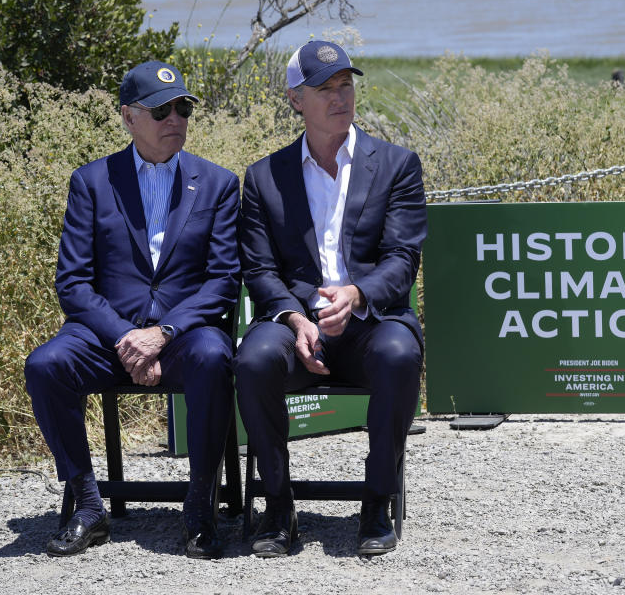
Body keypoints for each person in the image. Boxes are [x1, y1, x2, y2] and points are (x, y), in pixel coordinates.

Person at [24, 61, 240, 559]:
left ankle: (200, 505)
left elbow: (224, 280)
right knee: (46, 366)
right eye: (162, 109)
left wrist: (162, 333)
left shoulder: (218, 183)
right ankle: (88, 504)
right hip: (107, 335)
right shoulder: (92, 182)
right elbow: (73, 284)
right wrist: (128, 337)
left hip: (184, 334)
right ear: (128, 116)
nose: (176, 119)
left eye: (183, 107)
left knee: (214, 357)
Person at [234, 41, 426, 557]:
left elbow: (403, 258)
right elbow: (258, 268)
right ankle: (278, 505)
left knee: (399, 353)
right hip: (298, 322)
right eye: (325, 89)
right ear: (296, 99)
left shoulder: (397, 164)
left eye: (346, 85)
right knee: (252, 360)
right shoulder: (262, 177)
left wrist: (356, 293)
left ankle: (377, 499)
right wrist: (296, 319)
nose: (340, 97)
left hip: (371, 320)